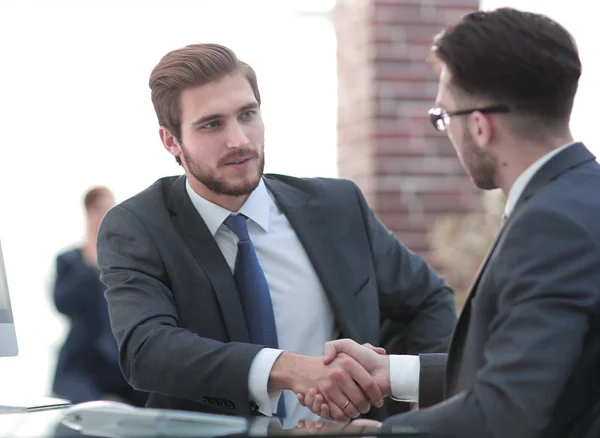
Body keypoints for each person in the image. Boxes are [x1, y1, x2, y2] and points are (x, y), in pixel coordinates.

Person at [96, 43, 457, 424]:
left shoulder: (337, 206)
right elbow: (146, 351)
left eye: (247, 114)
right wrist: (289, 368)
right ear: (171, 141)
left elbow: (428, 300)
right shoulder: (137, 227)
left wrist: (425, 402)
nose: (239, 140)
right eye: (212, 124)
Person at [298, 7, 600, 438]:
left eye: (442, 117)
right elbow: (539, 368)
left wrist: (368, 434)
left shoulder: (551, 225)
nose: (447, 133)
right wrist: (394, 372)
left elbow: (506, 412)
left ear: (480, 126)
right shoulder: (579, 197)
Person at [52, 186, 147, 407]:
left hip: (119, 362)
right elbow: (62, 304)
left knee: (155, 402)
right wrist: (90, 262)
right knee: (84, 411)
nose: (106, 215)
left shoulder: (126, 260)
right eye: (100, 209)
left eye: (110, 208)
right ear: (89, 212)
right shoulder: (70, 260)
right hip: (82, 361)